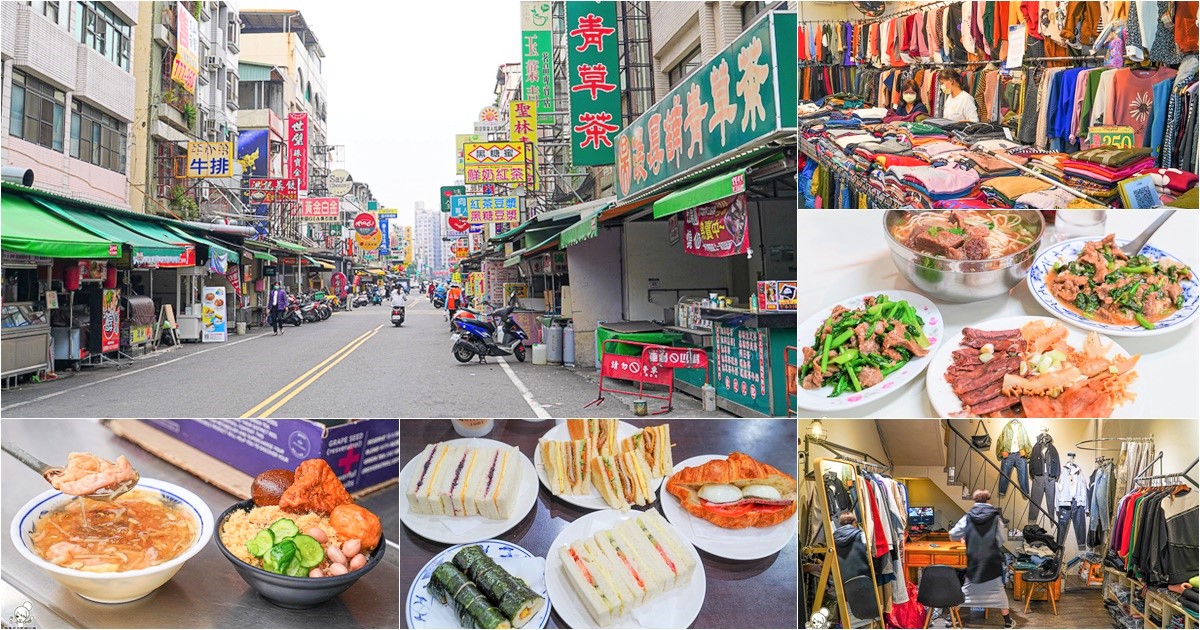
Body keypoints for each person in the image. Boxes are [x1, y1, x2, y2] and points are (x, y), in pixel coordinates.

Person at [951, 489, 1015, 628]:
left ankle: (951, 619)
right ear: (988, 500)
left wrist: (967, 538)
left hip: (974, 560)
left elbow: (953, 534)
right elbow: (1002, 539)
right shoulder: (995, 517)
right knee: (998, 591)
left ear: (975, 501)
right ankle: (1008, 622)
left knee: (967, 590)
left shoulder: (968, 517)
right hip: (992, 560)